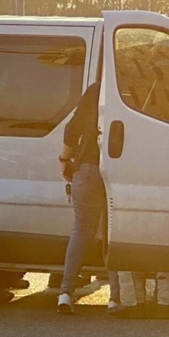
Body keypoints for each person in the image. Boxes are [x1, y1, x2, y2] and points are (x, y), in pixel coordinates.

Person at [57, 81, 121, 315]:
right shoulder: (132, 86)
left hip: (87, 167)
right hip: (118, 170)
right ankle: (116, 298)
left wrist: (65, 160)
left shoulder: (97, 89)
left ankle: (65, 293)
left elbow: (72, 129)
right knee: (112, 235)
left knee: (81, 231)